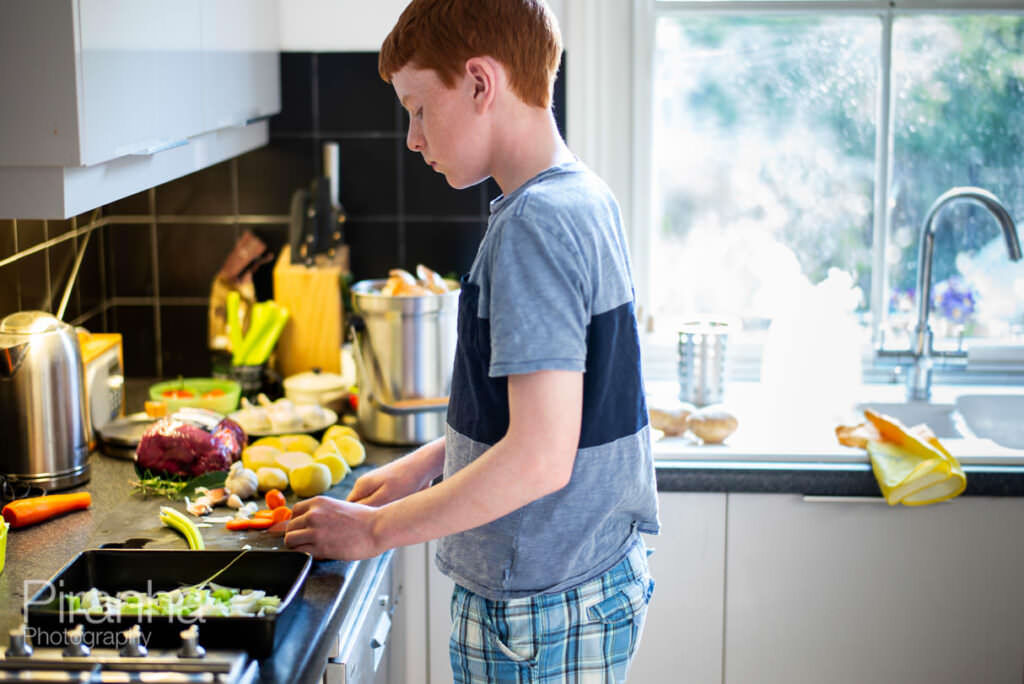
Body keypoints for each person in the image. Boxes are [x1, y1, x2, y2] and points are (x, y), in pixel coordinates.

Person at [284, 0, 660, 680]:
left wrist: (373, 531)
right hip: (585, 582)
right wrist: (432, 462)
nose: (413, 138)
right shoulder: (583, 195)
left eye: (419, 109)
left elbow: (539, 457)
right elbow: (553, 420)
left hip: (536, 615)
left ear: (481, 84)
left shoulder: (533, 225)